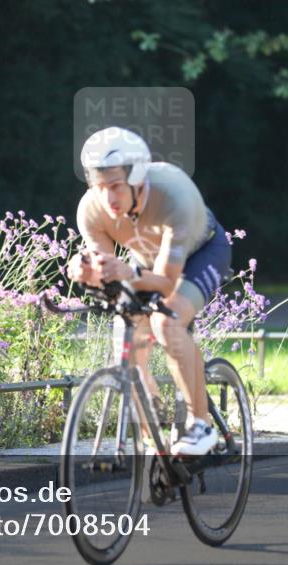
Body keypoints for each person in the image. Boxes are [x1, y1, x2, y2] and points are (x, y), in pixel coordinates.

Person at [66, 126, 231, 455]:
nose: (108, 198)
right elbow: (108, 271)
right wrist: (85, 271)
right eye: (100, 187)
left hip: (202, 253)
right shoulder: (91, 210)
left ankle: (201, 425)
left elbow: (167, 283)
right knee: (126, 340)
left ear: (137, 177)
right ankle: (153, 440)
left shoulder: (174, 195)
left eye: (115, 186)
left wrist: (129, 272)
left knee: (166, 322)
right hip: (147, 262)